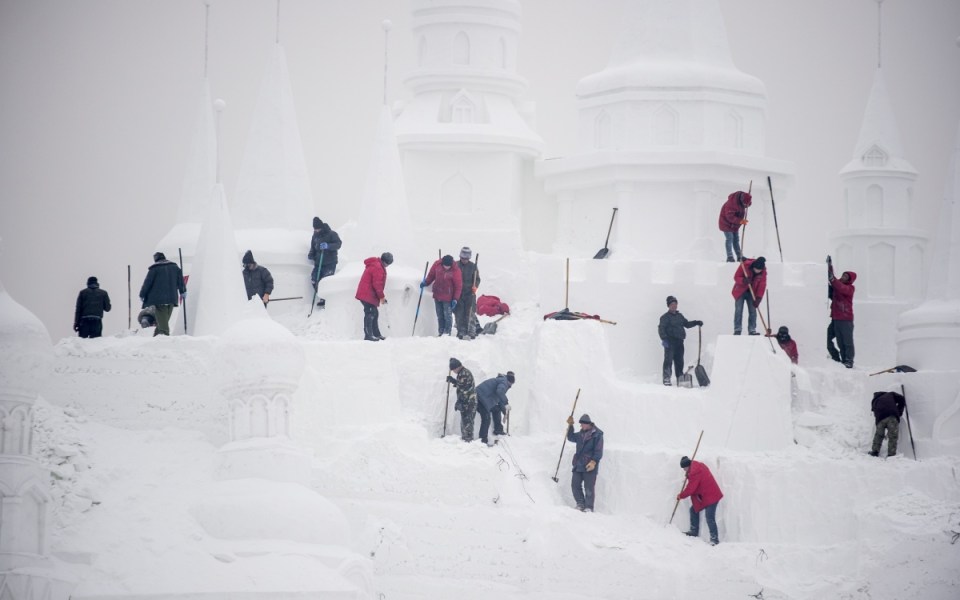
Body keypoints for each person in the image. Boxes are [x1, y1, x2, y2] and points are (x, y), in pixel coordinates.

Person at [677, 456, 723, 545]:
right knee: (693, 510)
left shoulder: (694, 472)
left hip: (711, 496)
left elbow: (691, 489)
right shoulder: (698, 466)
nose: (684, 470)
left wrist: (681, 495)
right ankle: (694, 531)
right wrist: (689, 475)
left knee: (709, 517)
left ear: (688, 466)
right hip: (704, 496)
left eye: (684, 468)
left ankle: (714, 539)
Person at [658, 295, 703, 386]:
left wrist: (696, 322)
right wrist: (664, 339)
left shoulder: (680, 316)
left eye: (675, 304)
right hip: (670, 342)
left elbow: (686, 324)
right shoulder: (665, 317)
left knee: (679, 361)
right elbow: (661, 328)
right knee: (668, 360)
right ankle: (666, 378)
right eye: (672, 304)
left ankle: (680, 377)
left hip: (679, 342)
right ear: (668, 305)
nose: (674, 305)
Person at [139, 252, 186, 336]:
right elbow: (180, 281)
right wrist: (183, 291)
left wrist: (142, 294)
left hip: (159, 300)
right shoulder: (175, 267)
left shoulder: (154, 269)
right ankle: (158, 337)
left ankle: (164, 337)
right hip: (172, 298)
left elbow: (147, 284)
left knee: (163, 323)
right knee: (164, 320)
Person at [565, 413, 604, 512]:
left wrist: (594, 462)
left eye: (582, 424)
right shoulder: (580, 434)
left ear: (588, 424)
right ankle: (580, 504)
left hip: (589, 465)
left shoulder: (597, 435)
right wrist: (570, 426)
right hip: (578, 464)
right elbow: (570, 437)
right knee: (575, 485)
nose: (581, 426)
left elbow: (598, 450)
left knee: (589, 487)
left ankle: (589, 507)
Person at [827, 256, 857, 368]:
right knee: (828, 339)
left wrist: (832, 279)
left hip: (845, 319)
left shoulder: (850, 288)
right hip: (835, 318)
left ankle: (848, 361)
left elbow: (839, 286)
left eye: (846, 277)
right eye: (843, 275)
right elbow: (833, 281)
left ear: (850, 280)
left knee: (846, 342)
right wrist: (829, 266)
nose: (843, 277)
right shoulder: (836, 284)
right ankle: (836, 358)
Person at [355, 252, 392, 341]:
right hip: (367, 294)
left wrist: (381, 297)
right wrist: (382, 297)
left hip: (368, 293)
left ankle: (376, 334)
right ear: (384, 261)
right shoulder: (378, 267)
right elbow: (377, 284)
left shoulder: (377, 265)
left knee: (374, 313)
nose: (387, 266)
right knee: (370, 313)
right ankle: (368, 335)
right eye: (388, 263)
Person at [422, 254, 462, 336]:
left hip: (448, 297)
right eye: (445, 265)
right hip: (437, 294)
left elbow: (458, 286)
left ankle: (447, 333)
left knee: (447, 315)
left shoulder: (455, 270)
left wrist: (455, 299)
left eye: (448, 266)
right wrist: (426, 282)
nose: (446, 267)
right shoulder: (437, 265)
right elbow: (431, 275)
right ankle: (441, 332)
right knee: (440, 315)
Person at [308, 217, 343, 307]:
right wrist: (311, 254)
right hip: (318, 262)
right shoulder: (315, 236)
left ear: (321, 227)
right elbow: (313, 247)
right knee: (313, 279)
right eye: (315, 229)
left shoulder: (332, 234)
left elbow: (338, 244)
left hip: (330, 262)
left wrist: (328, 246)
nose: (316, 230)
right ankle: (322, 296)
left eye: (317, 228)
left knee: (325, 281)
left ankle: (326, 299)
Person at [475, 371, 514, 445]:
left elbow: (500, 400)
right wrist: (506, 403)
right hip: (480, 398)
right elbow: (499, 392)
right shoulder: (504, 383)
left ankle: (498, 430)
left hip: (484, 399)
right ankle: (482, 441)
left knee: (497, 409)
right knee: (486, 419)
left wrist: (504, 413)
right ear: (510, 382)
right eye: (511, 384)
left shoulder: (501, 381)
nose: (511, 386)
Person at [731, 256, 766, 335]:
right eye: (756, 269)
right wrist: (743, 280)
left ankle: (752, 329)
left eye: (759, 270)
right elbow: (736, 277)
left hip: (752, 293)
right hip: (740, 291)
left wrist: (758, 298)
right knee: (738, 310)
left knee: (753, 311)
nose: (757, 271)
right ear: (753, 266)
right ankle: (737, 329)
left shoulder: (763, 272)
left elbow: (762, 285)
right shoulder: (745, 265)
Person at [446, 357, 477, 442]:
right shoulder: (462, 373)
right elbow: (461, 384)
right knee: (465, 422)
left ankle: (468, 441)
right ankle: (465, 440)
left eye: (453, 369)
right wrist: (453, 381)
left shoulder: (464, 373)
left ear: (457, 367)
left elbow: (464, 390)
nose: (453, 372)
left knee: (467, 423)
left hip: (469, 402)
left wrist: (460, 402)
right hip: (466, 402)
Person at [454, 246, 481, 340]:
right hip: (459, 294)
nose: (464, 260)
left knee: (470, 312)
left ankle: (472, 331)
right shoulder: (455, 265)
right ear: (460, 256)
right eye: (463, 258)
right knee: (459, 313)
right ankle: (461, 331)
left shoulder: (473, 266)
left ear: (469, 258)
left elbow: (477, 279)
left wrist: (475, 286)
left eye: (466, 258)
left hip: (470, 293)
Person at [718, 190, 752, 262]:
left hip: (734, 224)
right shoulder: (731, 203)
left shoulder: (743, 200)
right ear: (741, 200)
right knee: (730, 238)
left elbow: (748, 203)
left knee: (736, 240)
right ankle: (729, 257)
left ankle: (739, 256)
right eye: (744, 204)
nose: (745, 206)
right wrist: (741, 221)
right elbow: (729, 217)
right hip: (726, 223)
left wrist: (748, 204)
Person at [869, 390, 906, 457]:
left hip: (880, 419)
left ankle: (875, 451)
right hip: (892, 416)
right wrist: (899, 411)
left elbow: (875, 415)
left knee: (879, 435)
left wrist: (878, 425)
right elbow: (901, 398)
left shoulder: (874, 402)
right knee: (893, 436)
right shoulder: (890, 394)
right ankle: (891, 455)